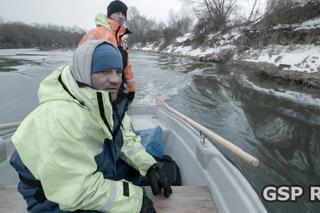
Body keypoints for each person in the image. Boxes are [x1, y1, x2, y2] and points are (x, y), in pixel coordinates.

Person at [10, 40, 172, 213]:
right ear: (83, 73)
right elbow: (76, 190)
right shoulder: (58, 117)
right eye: (103, 71)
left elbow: (124, 139)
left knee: (135, 172)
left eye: (118, 71)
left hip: (88, 173)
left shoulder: (107, 103)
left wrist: (149, 166)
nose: (115, 80)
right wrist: (135, 202)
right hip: (52, 198)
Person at [79, 0, 135, 105]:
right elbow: (81, 64)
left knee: (118, 118)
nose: (121, 16)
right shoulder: (95, 34)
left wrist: (131, 89)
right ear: (110, 15)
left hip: (118, 90)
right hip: (96, 93)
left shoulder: (123, 42)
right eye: (118, 13)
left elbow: (127, 68)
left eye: (123, 14)